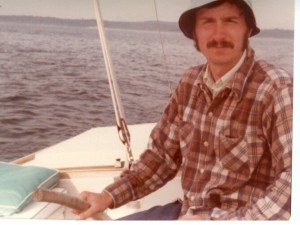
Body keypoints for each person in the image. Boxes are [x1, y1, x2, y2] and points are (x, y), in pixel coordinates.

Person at [73, 0, 293, 220]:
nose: (219, 33)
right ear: (195, 33)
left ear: (247, 29)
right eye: (208, 22)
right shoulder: (189, 82)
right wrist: (108, 197)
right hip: (185, 212)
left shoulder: (276, 88)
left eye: (230, 21)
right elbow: (160, 158)